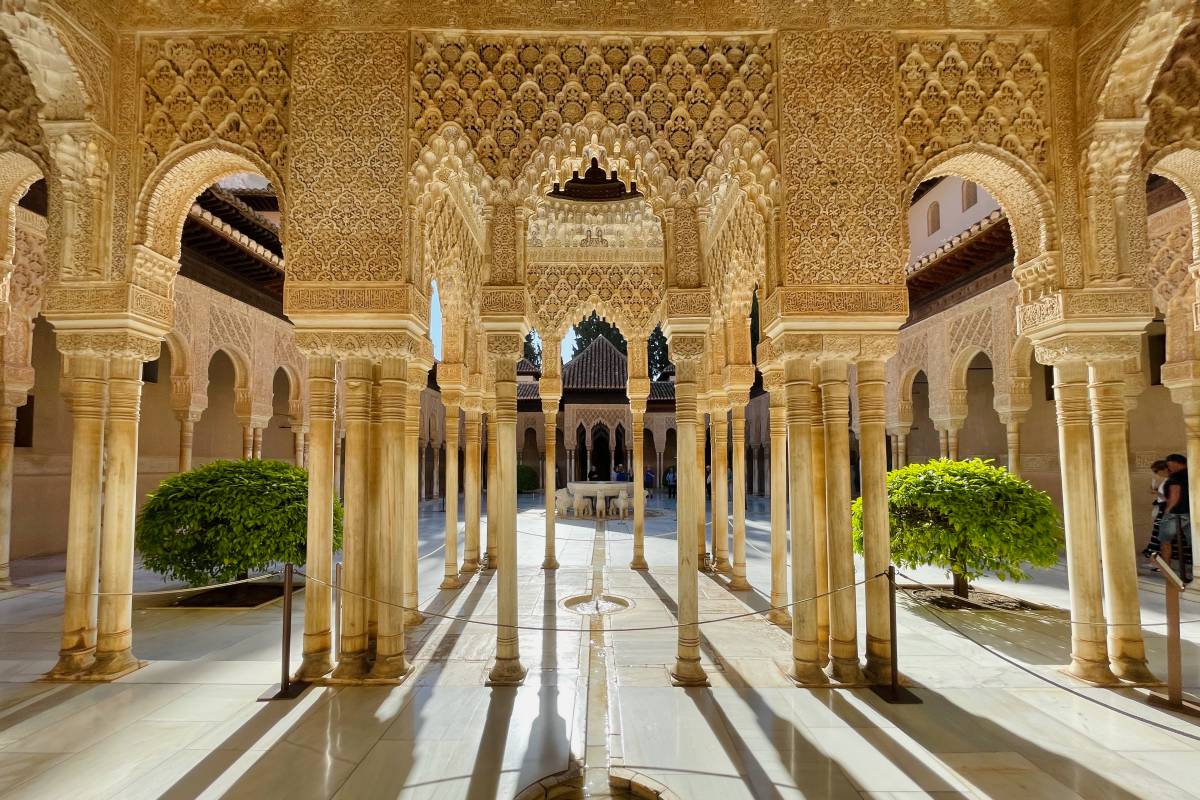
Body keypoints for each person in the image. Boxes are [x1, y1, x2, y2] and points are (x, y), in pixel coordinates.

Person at [1159, 453, 1193, 583]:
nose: (1168, 468)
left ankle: (1168, 574)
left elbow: (1174, 496)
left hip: (1175, 513)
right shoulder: (1192, 472)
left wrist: (1167, 511)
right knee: (1194, 544)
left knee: (1165, 541)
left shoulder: (1175, 477)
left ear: (1175, 463)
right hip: (1191, 512)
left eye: (1169, 465)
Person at [1142, 460, 1170, 563]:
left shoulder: (1171, 480)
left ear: (1163, 469)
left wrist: (1156, 492)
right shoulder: (1166, 480)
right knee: (1158, 535)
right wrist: (1157, 490)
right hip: (1162, 508)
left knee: (1160, 536)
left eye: (1156, 471)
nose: (1156, 474)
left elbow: (1169, 498)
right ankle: (1159, 562)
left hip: (1165, 509)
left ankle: (1162, 562)